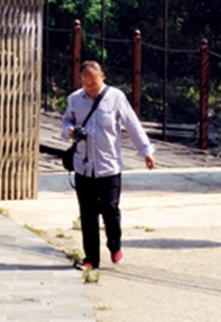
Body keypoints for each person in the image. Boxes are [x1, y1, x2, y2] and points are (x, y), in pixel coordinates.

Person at [61, 59, 156, 273]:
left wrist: (146, 152)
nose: (90, 88)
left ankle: (115, 244)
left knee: (110, 209)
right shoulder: (75, 99)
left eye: (93, 83)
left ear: (102, 77)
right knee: (87, 214)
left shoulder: (116, 97)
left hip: (109, 166)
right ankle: (90, 259)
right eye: (85, 84)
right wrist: (70, 130)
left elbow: (132, 124)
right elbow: (65, 122)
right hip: (84, 166)